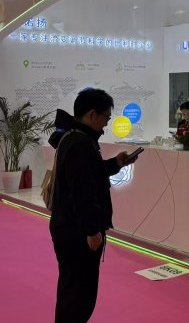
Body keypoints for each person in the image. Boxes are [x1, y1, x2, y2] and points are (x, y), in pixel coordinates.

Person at [48, 89, 138, 323]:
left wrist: (115, 164)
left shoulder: (72, 136)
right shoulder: (81, 144)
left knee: (71, 291)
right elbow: (81, 193)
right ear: (92, 114)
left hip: (67, 227)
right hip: (77, 232)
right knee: (79, 297)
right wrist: (92, 230)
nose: (107, 124)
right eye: (106, 117)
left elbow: (89, 174)